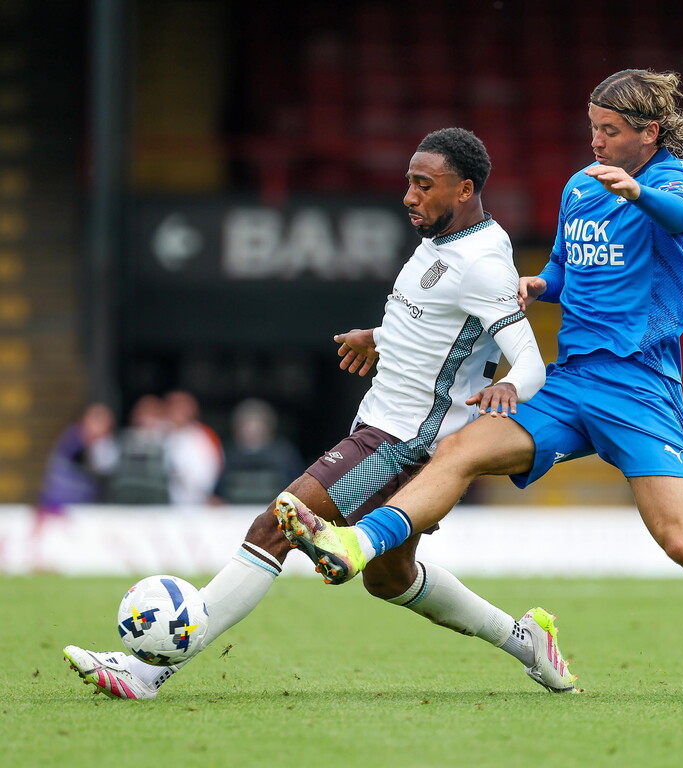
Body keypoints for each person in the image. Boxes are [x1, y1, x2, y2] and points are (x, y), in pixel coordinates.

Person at [289, 70, 683, 703]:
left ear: (649, 133)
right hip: (572, 381)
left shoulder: (675, 183)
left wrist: (638, 191)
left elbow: (681, 215)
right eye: (593, 128)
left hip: (639, 389)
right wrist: (539, 284)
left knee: (682, 540)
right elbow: (563, 265)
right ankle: (358, 543)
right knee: (458, 449)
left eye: (610, 130)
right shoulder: (581, 186)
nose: (597, 141)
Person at [63, 127, 576, 699]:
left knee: (275, 526)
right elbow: (443, 325)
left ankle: (147, 671)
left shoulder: (482, 264)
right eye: (409, 182)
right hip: (386, 430)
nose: (409, 196)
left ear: (465, 189)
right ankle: (526, 641)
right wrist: (380, 335)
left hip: (398, 445)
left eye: (424, 185)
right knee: (391, 579)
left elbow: (529, 364)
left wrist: (509, 389)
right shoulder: (445, 239)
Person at [213, 398, 304, 505]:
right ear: (236, 429)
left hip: (275, 511)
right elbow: (216, 494)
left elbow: (299, 489)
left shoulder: (285, 455)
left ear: (268, 428)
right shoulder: (226, 454)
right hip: (234, 512)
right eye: (247, 426)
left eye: (257, 426)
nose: (251, 432)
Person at [38, 402, 119, 508]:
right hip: (58, 504)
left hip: (86, 506)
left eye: (103, 420)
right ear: (84, 419)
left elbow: (106, 468)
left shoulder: (105, 444)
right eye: (96, 418)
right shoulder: (73, 437)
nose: (98, 424)